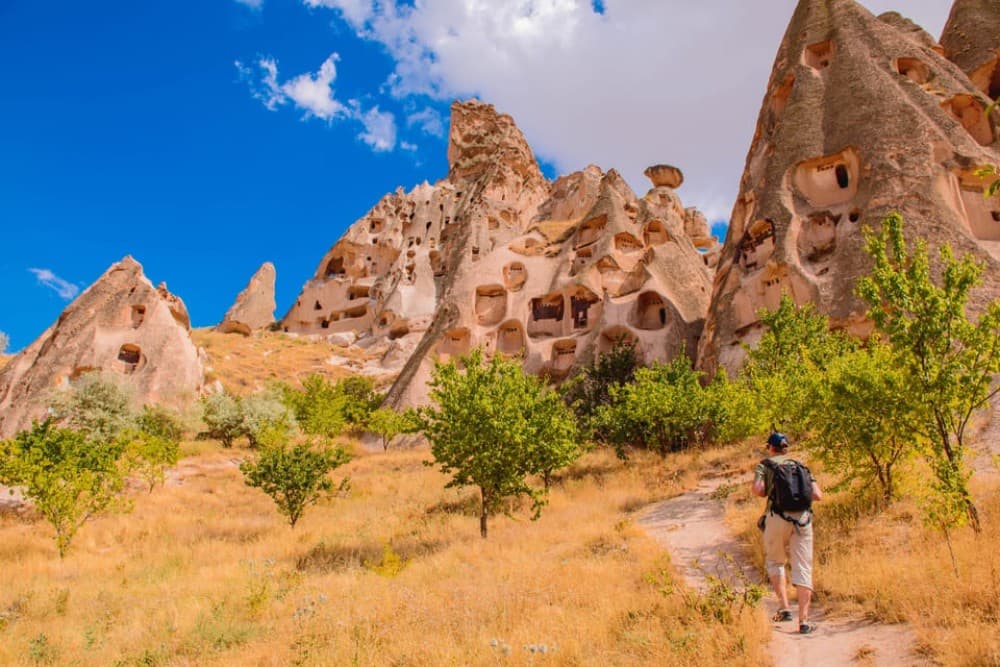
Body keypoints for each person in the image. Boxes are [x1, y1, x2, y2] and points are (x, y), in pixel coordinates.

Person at [751, 432, 823, 635]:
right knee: (804, 567)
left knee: (775, 562)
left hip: (776, 518)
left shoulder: (765, 465)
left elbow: (758, 490)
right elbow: (818, 494)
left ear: (770, 447)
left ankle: (784, 608)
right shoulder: (801, 465)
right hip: (803, 520)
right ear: (786, 447)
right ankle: (804, 621)